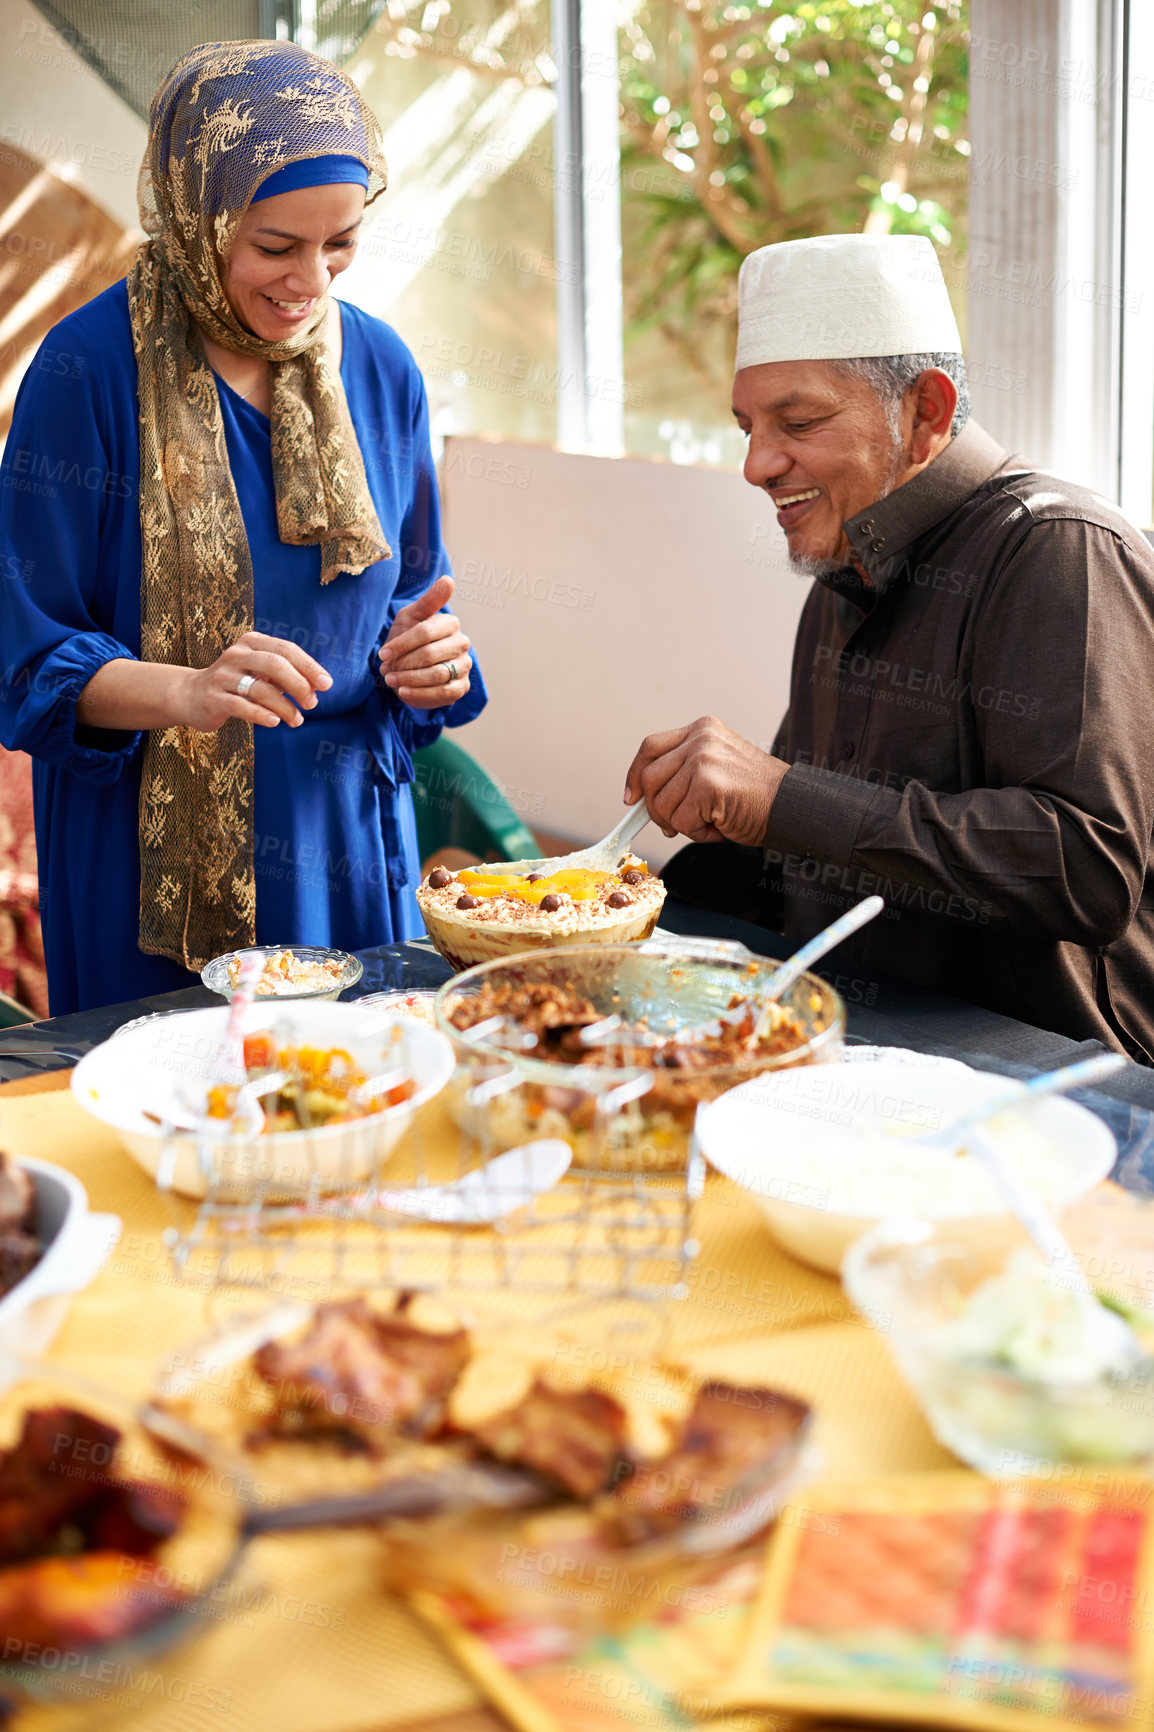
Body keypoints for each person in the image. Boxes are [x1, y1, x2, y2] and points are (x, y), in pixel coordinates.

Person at [0, 40, 485, 1016]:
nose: (311, 281)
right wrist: (191, 687)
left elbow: (411, 606)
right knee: (177, 1134)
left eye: (339, 241)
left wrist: (431, 661)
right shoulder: (88, 371)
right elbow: (25, 653)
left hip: (346, 836)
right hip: (146, 857)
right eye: (274, 245)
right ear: (196, 213)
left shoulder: (380, 370)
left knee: (357, 1120)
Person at [625, 233, 1154, 1061]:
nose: (756, 464)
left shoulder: (1057, 547)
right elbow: (816, 846)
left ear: (927, 413)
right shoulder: (848, 569)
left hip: (1044, 1093)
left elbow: (1085, 868)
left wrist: (780, 798)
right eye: (747, 427)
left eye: (798, 421)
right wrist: (614, 901)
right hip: (858, 1054)